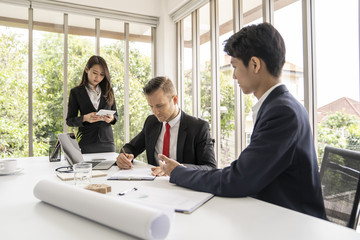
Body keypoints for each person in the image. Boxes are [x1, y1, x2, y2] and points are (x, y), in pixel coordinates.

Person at [159, 23, 327, 219]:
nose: (233, 75)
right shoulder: (279, 105)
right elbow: (246, 173)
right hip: (274, 212)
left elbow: (240, 179)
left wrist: (178, 172)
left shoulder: (282, 112)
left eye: (235, 66)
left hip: (293, 221)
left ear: (255, 64)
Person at [116, 76, 217, 176]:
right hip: (155, 184)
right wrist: (124, 156)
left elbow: (210, 167)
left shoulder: (198, 127)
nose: (155, 112)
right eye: (151, 106)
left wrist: (179, 168)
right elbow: (131, 147)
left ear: (175, 99)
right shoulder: (151, 122)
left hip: (183, 187)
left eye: (160, 106)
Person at [66, 55, 118, 153]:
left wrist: (112, 118)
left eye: (102, 74)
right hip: (87, 142)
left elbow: (116, 116)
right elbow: (69, 120)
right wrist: (85, 118)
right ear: (86, 69)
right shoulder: (76, 92)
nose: (98, 77)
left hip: (107, 142)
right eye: (95, 73)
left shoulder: (108, 91)